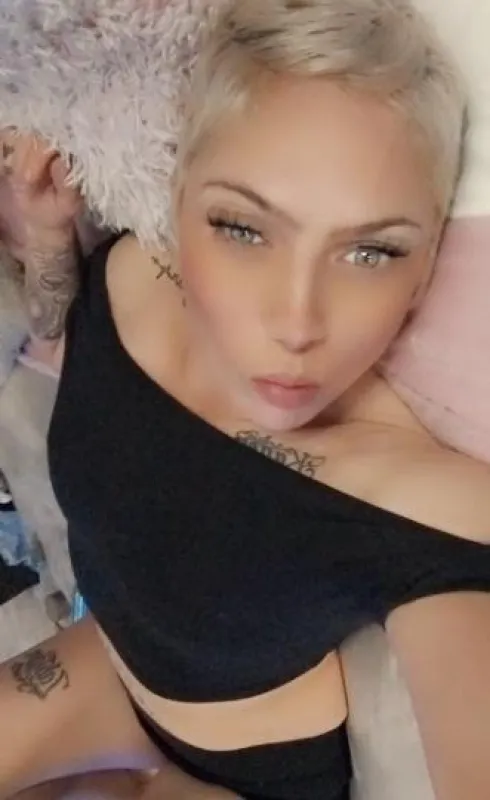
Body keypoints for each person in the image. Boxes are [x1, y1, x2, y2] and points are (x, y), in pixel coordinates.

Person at [1, 0, 489, 798]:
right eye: (242, 228)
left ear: (429, 257)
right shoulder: (132, 274)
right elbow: (55, 333)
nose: (296, 324)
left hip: (243, 777)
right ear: (177, 198)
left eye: (371, 251)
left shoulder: (423, 501)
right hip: (106, 667)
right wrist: (45, 243)